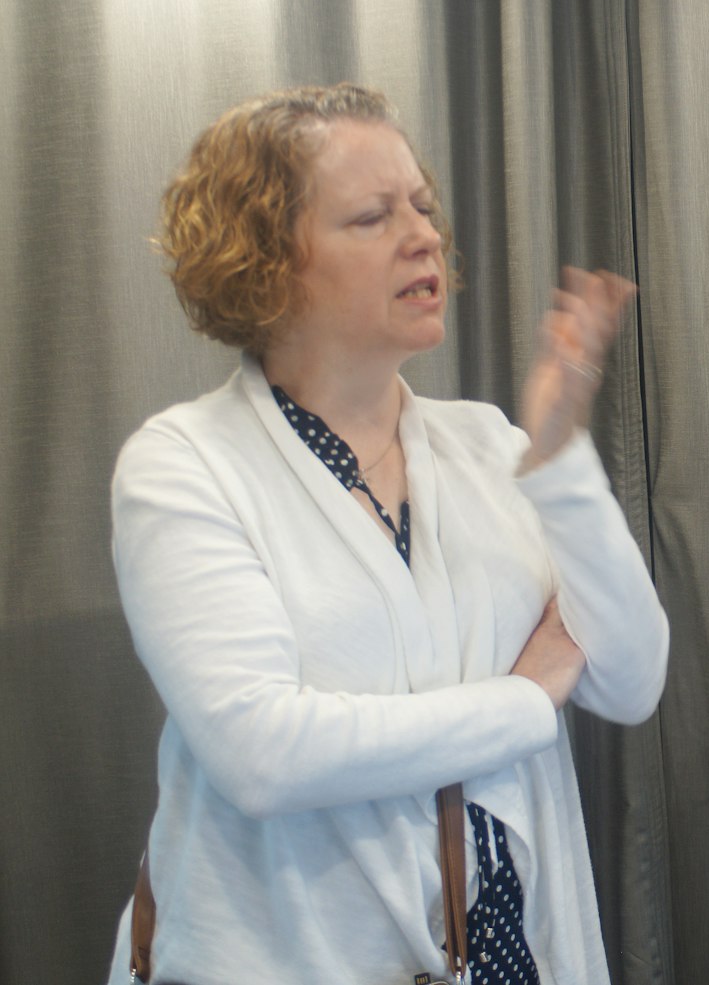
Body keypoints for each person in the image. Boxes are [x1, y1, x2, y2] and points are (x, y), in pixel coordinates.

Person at [106, 83, 669, 984]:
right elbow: (266, 754)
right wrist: (527, 698)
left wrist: (561, 459)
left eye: (424, 206)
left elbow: (633, 678)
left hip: (513, 954)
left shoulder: (492, 443)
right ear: (264, 261)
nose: (423, 235)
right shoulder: (182, 466)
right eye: (372, 216)